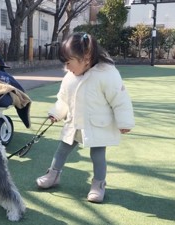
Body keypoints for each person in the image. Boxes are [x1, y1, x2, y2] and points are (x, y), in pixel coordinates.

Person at [36, 32, 135, 203]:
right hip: (74, 123)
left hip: (96, 125)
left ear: (86, 57)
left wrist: (124, 121)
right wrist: (56, 113)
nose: (67, 67)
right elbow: (63, 99)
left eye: (69, 62)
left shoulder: (107, 74)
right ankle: (53, 175)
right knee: (61, 150)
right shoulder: (70, 77)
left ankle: (98, 184)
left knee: (97, 155)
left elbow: (120, 100)